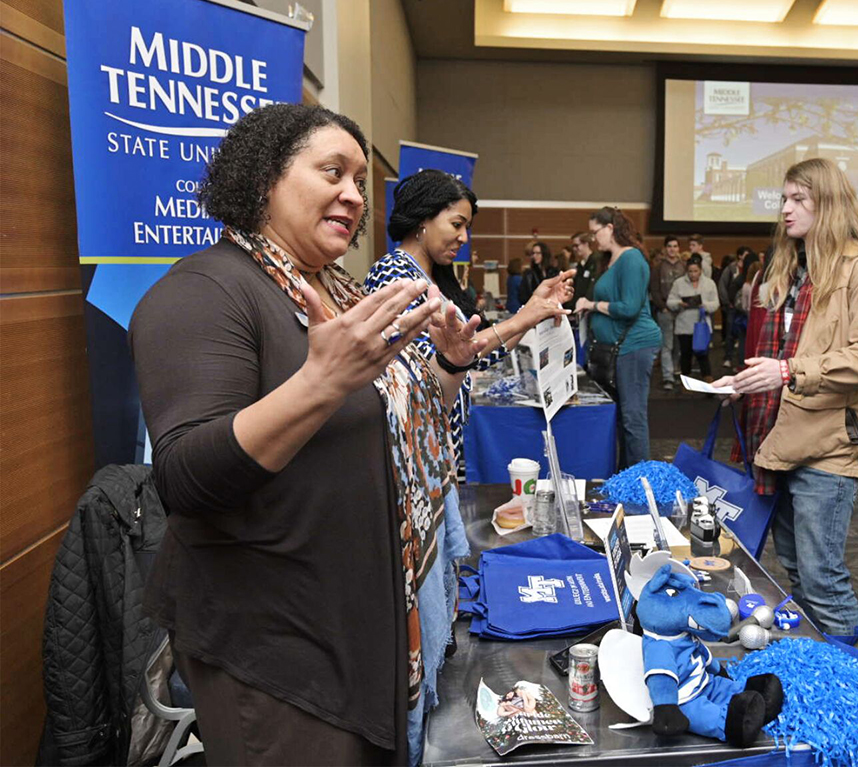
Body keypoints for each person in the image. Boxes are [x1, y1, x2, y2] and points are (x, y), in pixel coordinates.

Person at [129, 104, 490, 766]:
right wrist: (320, 381)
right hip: (276, 653)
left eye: (359, 180)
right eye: (332, 171)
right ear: (265, 178)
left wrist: (449, 364)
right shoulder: (205, 292)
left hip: (356, 625)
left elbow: (392, 426)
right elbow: (183, 479)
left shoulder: (336, 291)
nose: (353, 194)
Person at [713, 158, 858, 637]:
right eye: (783, 199)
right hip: (778, 437)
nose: (785, 209)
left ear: (830, 202)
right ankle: (825, 675)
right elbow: (783, 354)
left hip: (829, 445)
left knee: (822, 580)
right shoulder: (793, 268)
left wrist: (786, 371)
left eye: (798, 199)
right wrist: (747, 383)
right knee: (796, 572)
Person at [365, 170, 573, 481]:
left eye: (466, 228)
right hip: (413, 452)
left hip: (440, 444)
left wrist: (533, 311)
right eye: (457, 224)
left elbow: (476, 355)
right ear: (424, 219)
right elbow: (428, 363)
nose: (464, 238)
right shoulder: (393, 273)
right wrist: (523, 318)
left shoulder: (433, 276)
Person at [575, 206, 661, 467]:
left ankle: (639, 481)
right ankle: (627, 475)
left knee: (633, 417)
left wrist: (592, 305)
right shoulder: (611, 260)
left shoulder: (631, 259)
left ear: (610, 229)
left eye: (595, 233)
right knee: (625, 417)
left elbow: (630, 307)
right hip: (618, 348)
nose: (593, 239)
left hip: (634, 345)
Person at [668, 254, 720, 381]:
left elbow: (716, 303)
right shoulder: (678, 283)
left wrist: (704, 305)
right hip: (684, 326)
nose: (693, 274)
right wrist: (679, 303)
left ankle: (708, 381)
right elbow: (670, 302)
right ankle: (686, 382)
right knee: (685, 354)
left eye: (695, 271)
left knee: (703, 354)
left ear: (700, 270)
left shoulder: (709, 283)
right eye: (690, 271)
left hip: (702, 326)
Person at [650, 235, 686, 389]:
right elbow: (654, 289)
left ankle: (675, 370)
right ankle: (667, 377)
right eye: (670, 246)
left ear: (679, 249)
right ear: (665, 249)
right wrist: (662, 306)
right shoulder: (658, 267)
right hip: (664, 309)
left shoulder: (684, 266)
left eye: (675, 246)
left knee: (679, 344)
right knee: (667, 344)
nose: (672, 249)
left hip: (682, 311)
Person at [718, 247, 751, 368]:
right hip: (732, 306)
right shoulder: (731, 268)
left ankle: (741, 360)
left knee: (743, 335)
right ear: (740, 256)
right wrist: (727, 302)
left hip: (744, 307)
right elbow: (723, 285)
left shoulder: (751, 268)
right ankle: (728, 357)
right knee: (730, 332)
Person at [568, 230, 603, 311]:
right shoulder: (580, 265)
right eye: (573, 246)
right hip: (579, 307)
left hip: (590, 307)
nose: (574, 249)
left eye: (576, 245)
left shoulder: (597, 261)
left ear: (586, 244)